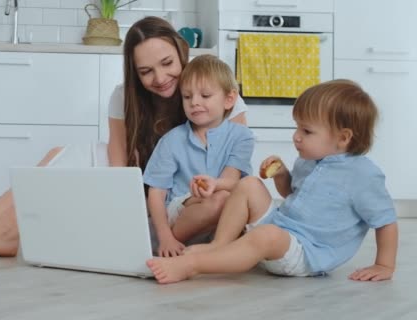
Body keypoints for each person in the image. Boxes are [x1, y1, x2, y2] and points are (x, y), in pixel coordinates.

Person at [0, 16, 248, 259]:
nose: (160, 78)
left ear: (181, 50)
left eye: (167, 63)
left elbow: (234, 163)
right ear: (134, 73)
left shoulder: (215, 94)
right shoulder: (124, 97)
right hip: (143, 187)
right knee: (65, 153)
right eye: (146, 71)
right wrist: (127, 213)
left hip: (190, 192)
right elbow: (119, 167)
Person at [146, 79, 398, 284]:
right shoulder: (309, 160)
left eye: (306, 131)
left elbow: (385, 220)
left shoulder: (363, 176)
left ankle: (192, 266)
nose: (296, 137)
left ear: (343, 138)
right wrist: (281, 175)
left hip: (306, 253)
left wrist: (384, 264)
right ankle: (219, 246)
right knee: (250, 184)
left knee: (266, 235)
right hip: (282, 229)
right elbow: (290, 192)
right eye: (297, 128)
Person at [143, 55, 254, 257]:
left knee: (232, 198)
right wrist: (165, 236)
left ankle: (214, 247)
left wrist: (214, 184)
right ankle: (166, 241)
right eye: (187, 96)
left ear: (229, 99)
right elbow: (156, 193)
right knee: (220, 199)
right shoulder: (171, 140)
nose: (194, 102)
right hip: (183, 211)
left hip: (223, 208)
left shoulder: (242, 136)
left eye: (205, 95)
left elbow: (231, 181)